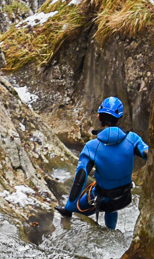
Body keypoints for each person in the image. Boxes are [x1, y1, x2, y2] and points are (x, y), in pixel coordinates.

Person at [58, 96, 148, 230]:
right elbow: (149, 154)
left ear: (99, 117)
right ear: (119, 118)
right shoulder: (133, 139)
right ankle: (111, 230)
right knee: (111, 205)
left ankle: (80, 215)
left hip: (102, 197)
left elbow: (80, 178)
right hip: (124, 197)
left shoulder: (91, 147)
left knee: (88, 202)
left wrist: (69, 208)